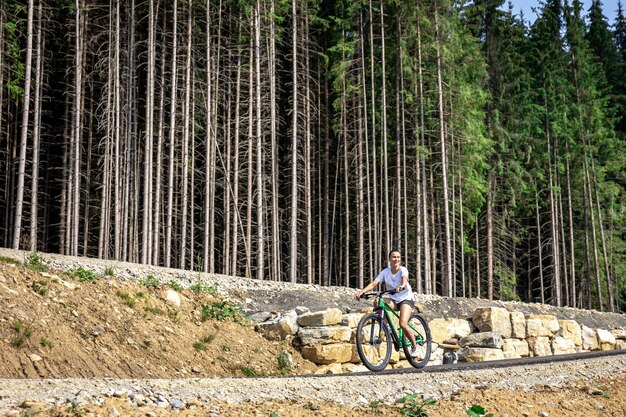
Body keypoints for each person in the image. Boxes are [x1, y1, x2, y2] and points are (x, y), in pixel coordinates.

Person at [354, 249, 420, 357]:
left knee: (403, 323)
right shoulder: (385, 272)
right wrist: (362, 292)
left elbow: (405, 278)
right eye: (394, 257)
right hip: (394, 300)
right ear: (389, 259)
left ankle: (414, 347)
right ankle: (386, 325)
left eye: (398, 257)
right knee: (377, 301)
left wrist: (402, 285)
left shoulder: (403, 270)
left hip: (406, 299)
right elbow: (374, 283)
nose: (396, 259)